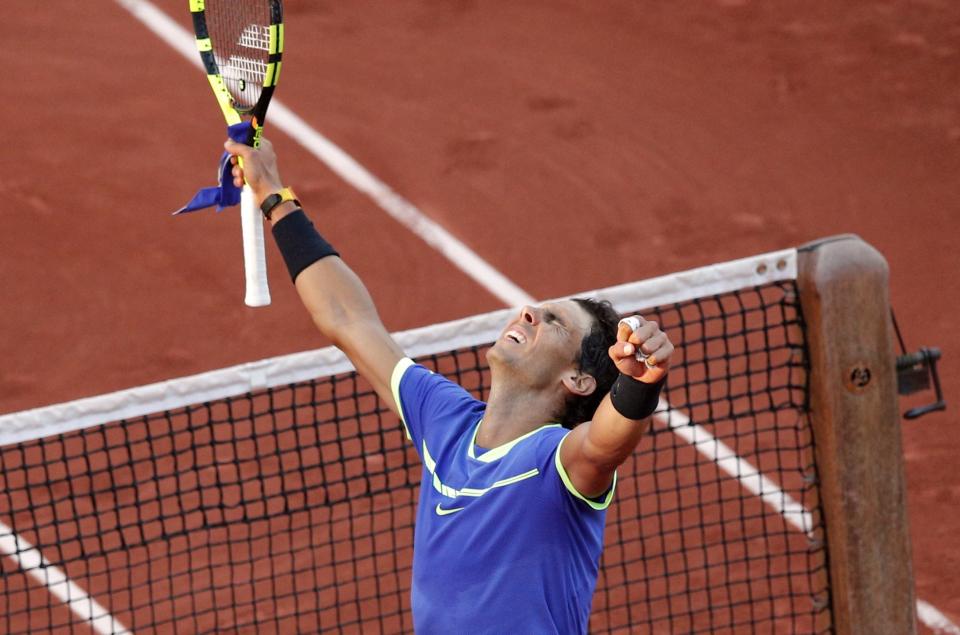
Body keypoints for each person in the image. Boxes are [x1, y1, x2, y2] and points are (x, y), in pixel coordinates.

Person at [225, 137, 675, 634]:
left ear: (579, 380)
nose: (527, 311)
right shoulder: (446, 422)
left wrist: (637, 384)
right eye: (537, 307)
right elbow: (348, 320)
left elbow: (604, 442)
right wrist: (272, 194)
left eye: (554, 322)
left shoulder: (556, 463)